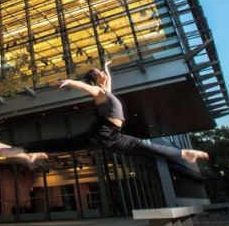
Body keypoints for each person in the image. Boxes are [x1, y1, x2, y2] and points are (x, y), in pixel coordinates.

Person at [23, 60, 209, 164]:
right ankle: (27, 148)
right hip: (103, 132)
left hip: (112, 134)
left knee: (144, 146)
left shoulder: (106, 91)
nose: (103, 74)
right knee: (68, 143)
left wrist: (106, 66)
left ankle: (184, 153)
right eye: (99, 72)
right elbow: (84, 86)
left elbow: (109, 79)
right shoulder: (99, 92)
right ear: (96, 80)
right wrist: (68, 82)